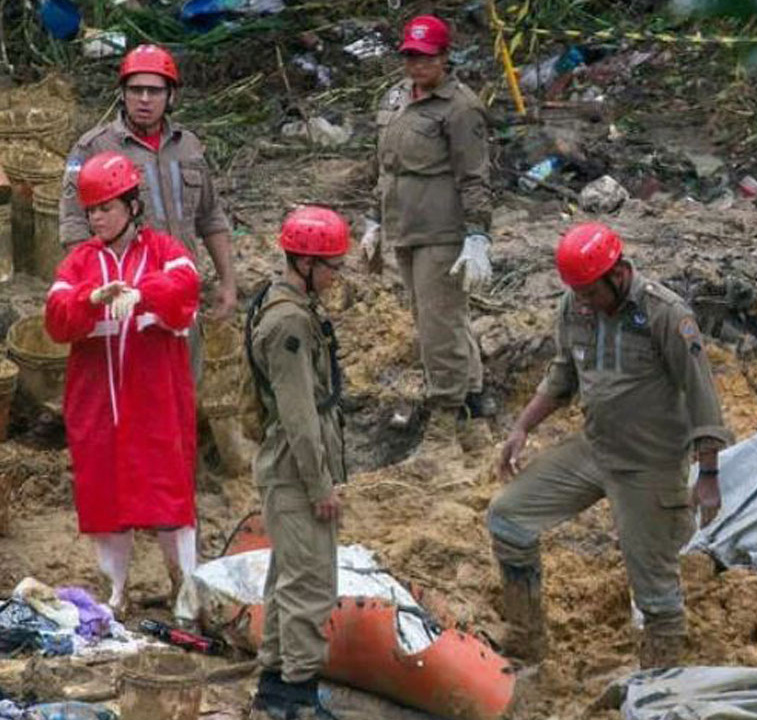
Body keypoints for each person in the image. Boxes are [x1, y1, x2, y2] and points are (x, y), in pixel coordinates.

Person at [487, 223, 732, 668]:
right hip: (595, 450)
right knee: (508, 519)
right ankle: (526, 644)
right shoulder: (575, 304)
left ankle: (658, 685)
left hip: (650, 465)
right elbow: (563, 375)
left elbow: (702, 395)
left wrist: (709, 475)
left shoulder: (665, 314)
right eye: (576, 293)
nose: (584, 302)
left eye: (590, 293)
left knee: (656, 593)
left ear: (617, 275)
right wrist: (522, 427)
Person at [44, 152, 200, 620]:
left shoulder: (165, 251)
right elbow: (55, 318)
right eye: (91, 210)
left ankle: (186, 586)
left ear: (132, 206)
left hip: (155, 399)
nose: (97, 218)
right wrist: (90, 299)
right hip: (98, 400)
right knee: (104, 491)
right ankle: (115, 590)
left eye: (106, 207)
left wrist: (143, 293)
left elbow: (185, 288)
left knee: (169, 489)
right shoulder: (79, 263)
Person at [60, 44, 237, 373]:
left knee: (182, 395)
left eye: (154, 91)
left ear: (170, 96)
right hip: (124, 305)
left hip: (180, 297)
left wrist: (228, 283)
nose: (144, 99)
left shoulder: (189, 147)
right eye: (135, 89)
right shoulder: (93, 148)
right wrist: (95, 291)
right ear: (122, 94)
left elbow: (211, 217)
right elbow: (74, 227)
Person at [362, 14, 494, 452]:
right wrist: (373, 219)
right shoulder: (396, 98)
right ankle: (474, 400)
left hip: (441, 231)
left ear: (444, 57)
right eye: (410, 57)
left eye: (425, 58)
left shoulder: (460, 108)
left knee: (440, 326)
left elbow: (474, 177)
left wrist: (477, 234)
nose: (416, 65)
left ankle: (445, 414)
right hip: (404, 225)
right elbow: (382, 166)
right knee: (433, 319)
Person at [245, 206, 349, 717]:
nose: (335, 274)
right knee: (310, 584)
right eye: (330, 265)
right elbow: (300, 415)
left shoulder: (284, 304)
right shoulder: (289, 321)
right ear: (304, 263)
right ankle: (299, 694)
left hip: (287, 465)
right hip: (294, 468)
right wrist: (320, 485)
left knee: (288, 576)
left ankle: (277, 686)